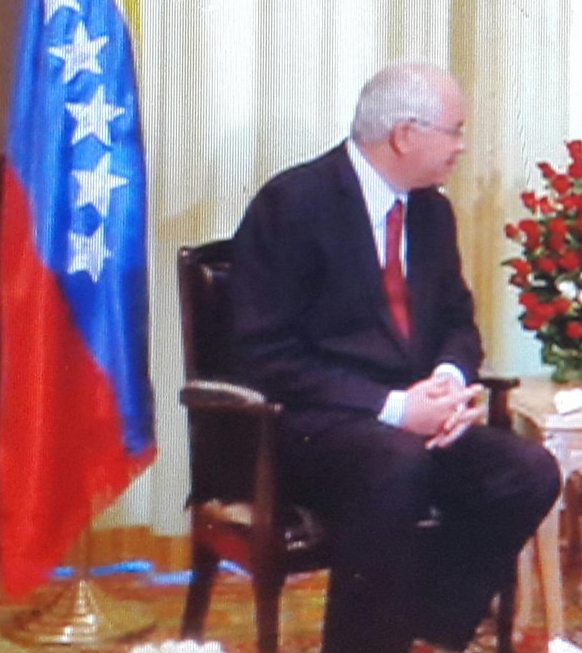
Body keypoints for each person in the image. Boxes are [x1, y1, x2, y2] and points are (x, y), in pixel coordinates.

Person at [230, 62, 561, 653]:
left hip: (411, 425)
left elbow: (458, 321)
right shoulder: (294, 203)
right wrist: (393, 408)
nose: (461, 147)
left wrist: (449, 381)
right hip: (311, 427)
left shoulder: (432, 212)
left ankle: (427, 633)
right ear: (405, 134)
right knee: (394, 462)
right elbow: (264, 354)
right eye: (455, 131)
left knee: (527, 471)